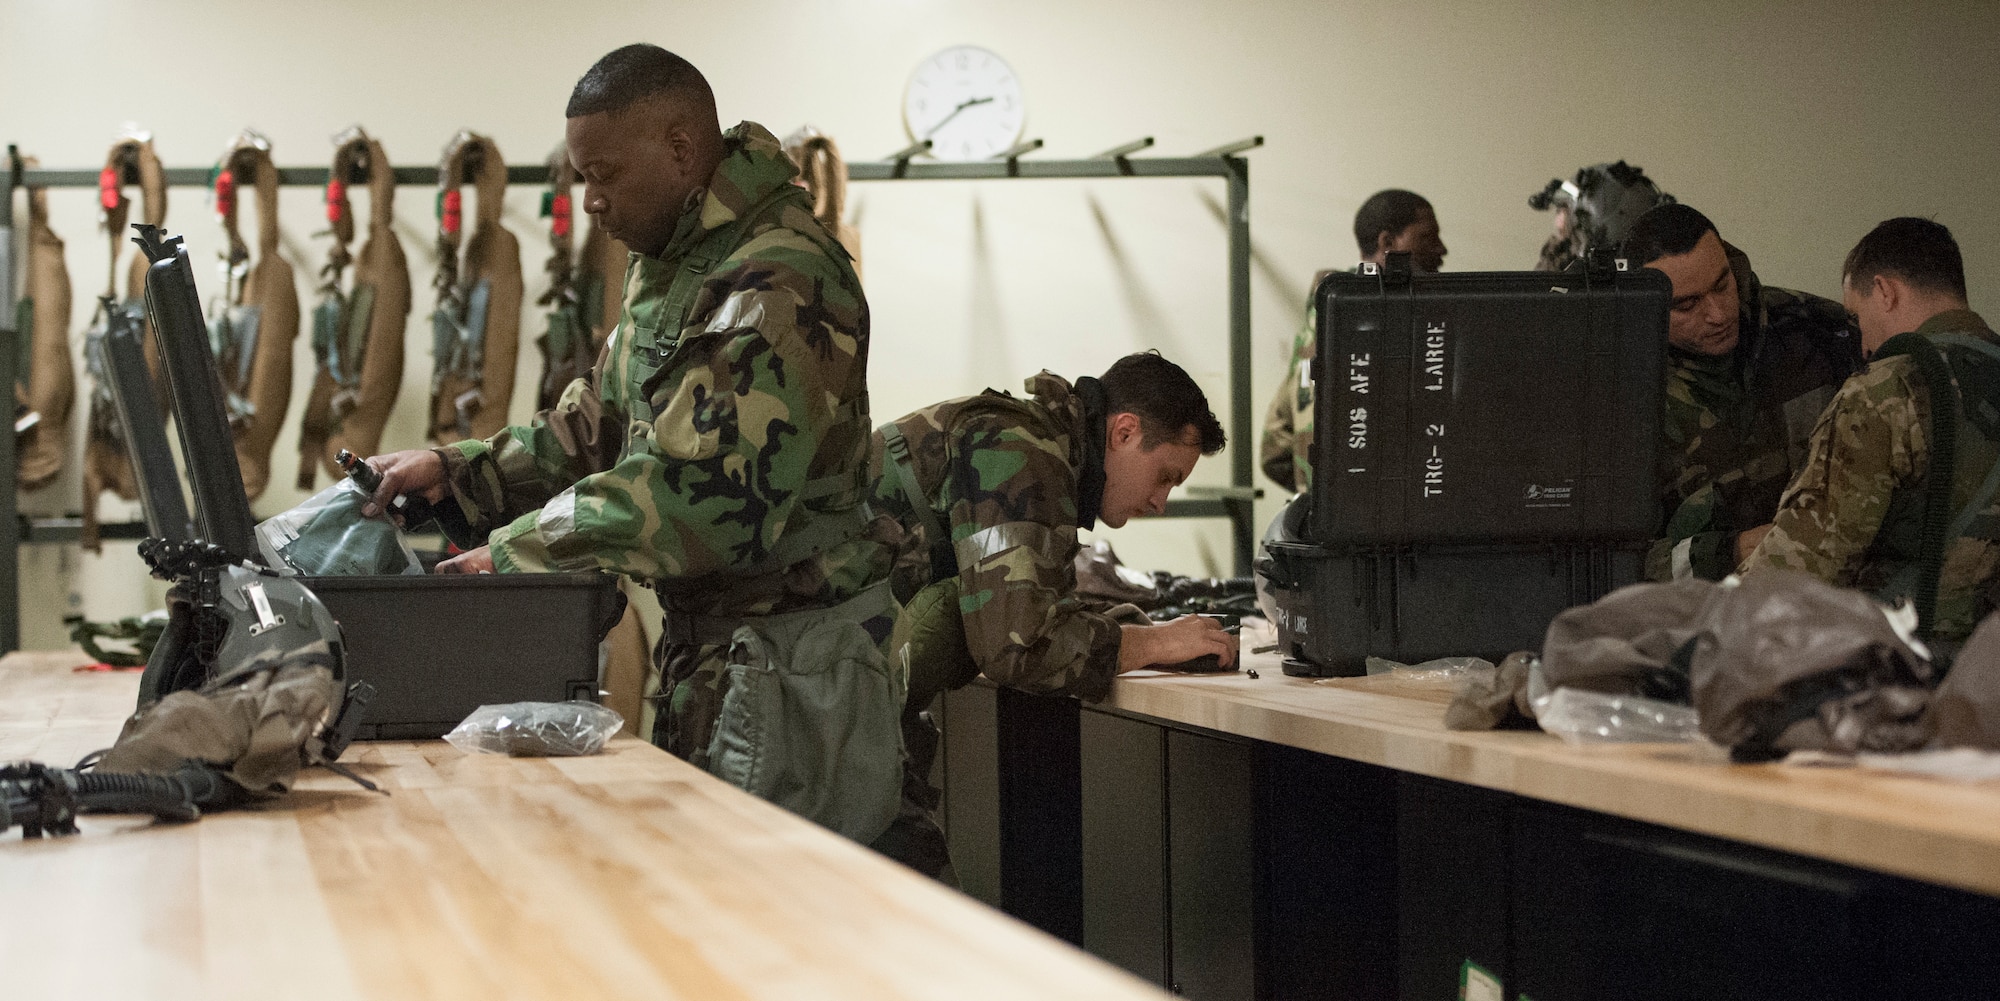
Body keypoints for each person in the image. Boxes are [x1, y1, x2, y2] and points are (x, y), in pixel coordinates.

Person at [362, 44, 900, 844]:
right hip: (722, 665)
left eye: (603, 175)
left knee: (773, 937)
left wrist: (515, 552)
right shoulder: (671, 265)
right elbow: (601, 427)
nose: (592, 204)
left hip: (795, 678)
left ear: (681, 149)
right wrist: (458, 470)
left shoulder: (777, 278)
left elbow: (705, 498)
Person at [870, 351, 1235, 877]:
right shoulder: (1023, 451)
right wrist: (1155, 644)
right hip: (809, 697)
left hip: (826, 687)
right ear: (1124, 432)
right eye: (1165, 476)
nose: (1161, 502)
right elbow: (1019, 646)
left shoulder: (1039, 449)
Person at [1745, 218, 2000, 645]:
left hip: (1911, 682)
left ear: (1885, 291)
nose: (1861, 344)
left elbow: (1792, 575)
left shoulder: (1886, 390)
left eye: (1856, 316)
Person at [1620, 203, 1862, 582]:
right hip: (1694, 619)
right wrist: (1731, 551)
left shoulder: (1814, 329)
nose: (1718, 313)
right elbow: (1608, 568)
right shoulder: (1616, 390)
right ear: (1646, 307)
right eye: (1687, 304)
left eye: (1722, 284)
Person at [1261, 190, 1447, 493]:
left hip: (1331, 521)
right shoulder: (1386, 327)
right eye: (1428, 237)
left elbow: (1275, 447)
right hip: (1373, 522)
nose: (1442, 249)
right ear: (1387, 243)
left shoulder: (1318, 324)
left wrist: (1313, 495)